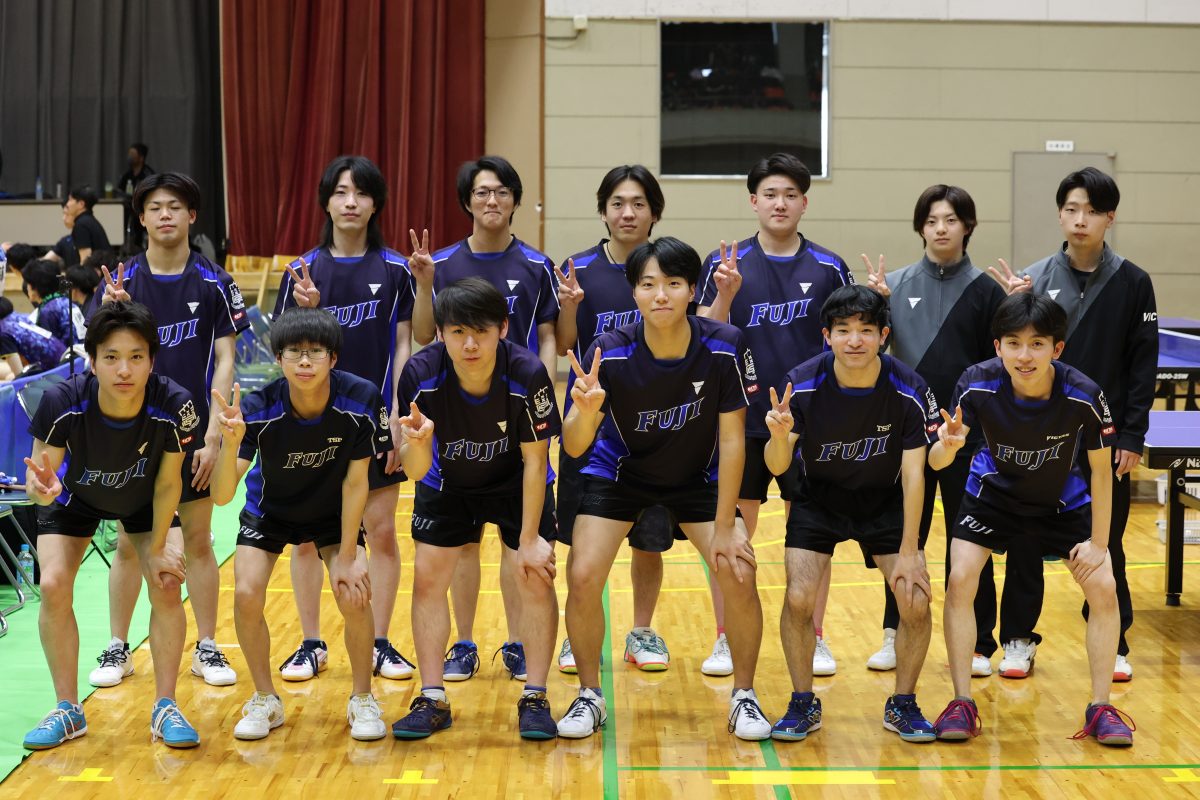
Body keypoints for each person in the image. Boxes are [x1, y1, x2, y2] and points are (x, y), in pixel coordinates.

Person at [556, 237, 770, 742]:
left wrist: (726, 527)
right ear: (633, 292)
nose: (661, 295)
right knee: (582, 574)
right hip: (619, 474)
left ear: (693, 290)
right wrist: (585, 413)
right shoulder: (609, 349)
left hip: (698, 477)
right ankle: (590, 695)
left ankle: (745, 695)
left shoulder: (725, 345)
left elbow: (733, 439)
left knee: (739, 571)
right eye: (648, 284)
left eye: (673, 283)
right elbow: (573, 444)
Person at [931, 293, 1134, 746]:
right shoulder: (976, 384)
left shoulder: (1084, 394)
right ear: (998, 346)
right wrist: (947, 445)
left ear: (1056, 349)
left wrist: (1099, 545)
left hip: (1061, 500)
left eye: (1037, 344)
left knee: (1104, 586)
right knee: (960, 578)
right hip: (992, 496)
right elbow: (938, 462)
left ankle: (1102, 707)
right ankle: (961, 702)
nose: (1025, 356)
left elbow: (1103, 472)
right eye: (1014, 343)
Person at [989, 167, 1156, 682]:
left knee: (1108, 542)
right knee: (1023, 536)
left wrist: (1132, 435)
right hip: (1037, 437)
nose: (1081, 219)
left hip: (1105, 438)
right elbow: (1013, 359)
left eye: (1093, 211)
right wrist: (1015, 302)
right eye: (1072, 209)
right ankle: (1018, 639)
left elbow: (1142, 365)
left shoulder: (1134, 282)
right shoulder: (1035, 277)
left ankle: (1115, 641)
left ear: (1110, 217)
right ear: (1060, 215)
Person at [695, 152, 855, 677]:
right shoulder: (725, 263)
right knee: (730, 529)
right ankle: (726, 637)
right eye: (770, 194)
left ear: (805, 202)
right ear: (753, 202)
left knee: (811, 532)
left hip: (811, 422)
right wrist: (724, 295)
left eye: (790, 195)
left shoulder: (829, 267)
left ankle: (815, 635)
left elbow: (849, 341)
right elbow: (703, 337)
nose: (780, 203)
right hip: (738, 419)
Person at [87, 172, 246, 689]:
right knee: (128, 544)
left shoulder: (215, 282)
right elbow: (99, 356)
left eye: (175, 206)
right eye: (155, 207)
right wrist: (109, 308)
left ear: (192, 215)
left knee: (198, 540)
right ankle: (118, 646)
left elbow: (226, 359)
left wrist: (213, 434)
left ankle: (207, 646)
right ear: (141, 218)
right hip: (133, 436)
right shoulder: (123, 280)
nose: (165, 215)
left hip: (193, 432)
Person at [21, 301, 201, 750]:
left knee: (166, 582)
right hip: (74, 499)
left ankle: (165, 706)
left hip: (144, 498)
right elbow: (40, 484)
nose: (124, 369)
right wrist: (42, 491)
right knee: (53, 585)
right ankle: (67, 708)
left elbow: (169, 482)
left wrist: (157, 548)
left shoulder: (174, 404)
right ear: (93, 360)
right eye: (111, 357)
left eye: (136, 356)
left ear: (152, 361)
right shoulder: (61, 402)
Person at [765, 285, 938, 744]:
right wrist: (779, 437)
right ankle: (803, 702)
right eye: (843, 330)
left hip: (883, 501)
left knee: (915, 601)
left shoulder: (909, 389)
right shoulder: (801, 383)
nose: (855, 340)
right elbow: (777, 466)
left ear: (883, 335)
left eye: (866, 330)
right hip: (818, 500)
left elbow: (915, 474)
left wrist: (910, 551)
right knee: (798, 598)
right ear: (827, 336)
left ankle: (903, 703)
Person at [409, 155, 559, 682]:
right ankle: (465, 642)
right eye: (481, 192)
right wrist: (424, 285)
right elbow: (423, 335)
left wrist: (541, 390)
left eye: (501, 191)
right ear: (467, 202)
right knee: (464, 544)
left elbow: (547, 336)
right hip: (459, 418)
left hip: (515, 410)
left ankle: (517, 643)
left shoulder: (537, 265)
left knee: (517, 545)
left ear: (515, 200)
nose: (491, 200)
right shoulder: (441, 262)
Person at [391, 278, 561, 740]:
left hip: (516, 482)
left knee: (536, 574)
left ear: (502, 329)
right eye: (457, 332)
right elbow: (414, 470)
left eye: (480, 332)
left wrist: (530, 540)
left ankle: (536, 696)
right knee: (428, 575)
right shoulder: (419, 375)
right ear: (440, 333)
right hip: (446, 480)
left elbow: (536, 460)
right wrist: (418, 444)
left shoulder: (527, 373)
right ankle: (432, 698)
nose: (469, 344)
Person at [209, 308, 389, 742]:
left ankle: (363, 698)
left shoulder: (360, 399)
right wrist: (228, 445)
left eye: (315, 352)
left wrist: (349, 555)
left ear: (333, 358)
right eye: (294, 352)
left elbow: (356, 482)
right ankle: (265, 698)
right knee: (246, 592)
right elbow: (222, 495)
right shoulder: (258, 407)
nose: (304, 361)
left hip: (331, 514)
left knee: (354, 594)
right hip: (269, 511)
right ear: (278, 358)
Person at [274, 155, 416, 682]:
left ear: (376, 204)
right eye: (340, 191)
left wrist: (396, 413)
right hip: (311, 422)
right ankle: (311, 642)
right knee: (306, 537)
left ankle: (379, 641)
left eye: (361, 192)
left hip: (375, 421)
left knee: (380, 533)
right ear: (326, 202)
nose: (350, 202)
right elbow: (287, 350)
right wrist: (309, 310)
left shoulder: (397, 270)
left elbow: (405, 344)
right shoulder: (301, 271)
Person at [861, 185, 1005, 677]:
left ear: (968, 226)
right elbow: (873, 357)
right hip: (908, 436)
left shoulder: (988, 291)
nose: (941, 228)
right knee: (904, 537)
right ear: (920, 227)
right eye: (931, 220)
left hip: (969, 438)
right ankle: (893, 632)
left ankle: (980, 644)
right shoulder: (894, 285)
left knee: (972, 540)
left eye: (951, 219)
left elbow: (999, 365)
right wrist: (877, 306)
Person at [552, 164, 677, 675]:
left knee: (649, 540)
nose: (628, 213)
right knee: (583, 543)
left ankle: (642, 631)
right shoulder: (578, 268)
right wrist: (569, 308)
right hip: (591, 427)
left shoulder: (669, 267)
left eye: (639, 203)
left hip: (655, 431)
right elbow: (563, 344)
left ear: (655, 212)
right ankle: (576, 633)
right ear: (603, 211)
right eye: (618, 203)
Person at [22, 258, 85, 351]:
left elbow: (51, 350)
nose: (27, 287)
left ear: (34, 287)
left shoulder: (48, 311)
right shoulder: (67, 302)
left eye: (28, 283)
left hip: (69, 358)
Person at [44, 186, 112, 266]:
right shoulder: (88, 220)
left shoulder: (81, 224)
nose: (68, 203)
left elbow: (85, 260)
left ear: (81, 204)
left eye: (70, 200)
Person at [0, 296, 66, 379]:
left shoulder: (3, 334)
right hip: (65, 358)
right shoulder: (21, 317)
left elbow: (20, 376)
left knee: (9, 377)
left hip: (57, 371)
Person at [118, 142, 155, 248]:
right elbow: (120, 190)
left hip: (142, 208)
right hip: (128, 208)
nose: (129, 157)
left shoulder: (148, 174)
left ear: (141, 158)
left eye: (133, 154)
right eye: (129, 154)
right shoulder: (126, 176)